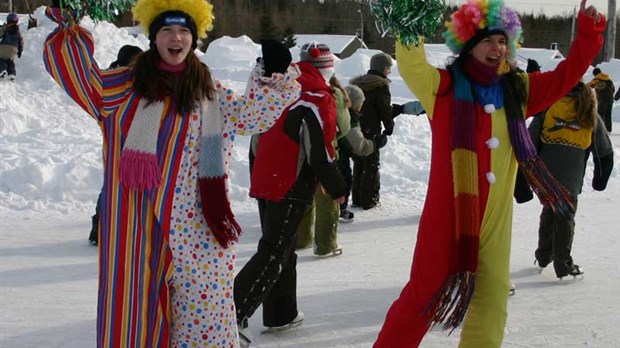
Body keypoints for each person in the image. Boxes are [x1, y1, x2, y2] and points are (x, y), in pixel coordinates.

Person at [43, 0, 301, 346]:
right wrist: (67, 25)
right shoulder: (122, 89)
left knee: (205, 325)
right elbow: (81, 78)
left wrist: (273, 74)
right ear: (154, 36)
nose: (176, 37)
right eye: (167, 29)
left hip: (199, 231)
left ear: (194, 38)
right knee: (135, 322)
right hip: (138, 228)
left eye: (183, 30)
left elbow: (252, 115)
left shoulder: (210, 92)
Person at [373, 0, 606, 347]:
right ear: (469, 44)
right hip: (448, 219)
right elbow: (413, 65)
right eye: (487, 41)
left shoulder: (518, 89)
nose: (497, 48)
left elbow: (565, 77)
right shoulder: (445, 88)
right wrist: (411, 26)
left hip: (495, 223)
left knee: (493, 302)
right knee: (424, 296)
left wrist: (587, 34)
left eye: (502, 42)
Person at [234, 41, 346, 345]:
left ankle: (281, 313)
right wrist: (336, 186)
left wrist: (258, 175)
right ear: (327, 69)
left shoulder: (280, 88)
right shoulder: (314, 99)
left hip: (266, 179)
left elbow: (256, 137)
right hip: (290, 183)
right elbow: (319, 150)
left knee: (283, 250)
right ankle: (229, 315)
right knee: (274, 252)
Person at [521, 81, 613, 279]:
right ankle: (563, 263)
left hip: (545, 173)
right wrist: (600, 179)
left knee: (551, 208)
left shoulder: (549, 108)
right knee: (565, 216)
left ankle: (544, 255)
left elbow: (529, 141)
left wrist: (527, 173)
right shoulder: (589, 113)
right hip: (570, 174)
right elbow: (604, 151)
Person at [89, 44, 143, 246]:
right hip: (119, 140)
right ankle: (99, 225)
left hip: (136, 138)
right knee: (112, 185)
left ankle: (125, 227)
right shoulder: (115, 81)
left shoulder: (134, 78)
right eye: (136, 61)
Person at [296, 73, 350, 255]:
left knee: (303, 193)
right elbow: (343, 126)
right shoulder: (332, 93)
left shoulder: (294, 86)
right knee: (327, 196)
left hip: (297, 149)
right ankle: (326, 245)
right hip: (325, 148)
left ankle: (301, 238)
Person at [349, 52, 399, 210]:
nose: (389, 71)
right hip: (372, 131)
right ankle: (369, 200)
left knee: (358, 163)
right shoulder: (381, 86)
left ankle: (357, 198)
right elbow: (384, 110)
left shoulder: (359, 84)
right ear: (383, 68)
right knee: (371, 166)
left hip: (356, 128)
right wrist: (389, 127)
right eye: (389, 68)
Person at [337, 84, 387, 219]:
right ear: (353, 103)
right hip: (337, 156)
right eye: (360, 103)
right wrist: (378, 143)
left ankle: (337, 208)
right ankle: (338, 210)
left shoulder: (342, 112)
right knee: (343, 180)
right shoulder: (349, 119)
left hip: (336, 153)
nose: (361, 106)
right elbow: (361, 147)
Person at [587, 67, 615, 132]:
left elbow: (588, 85)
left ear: (595, 74)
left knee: (600, 114)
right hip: (610, 99)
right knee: (608, 115)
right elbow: (613, 89)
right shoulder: (608, 79)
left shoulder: (597, 79)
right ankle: (608, 130)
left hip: (602, 99)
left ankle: (599, 130)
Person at [0, 13, 24, 81]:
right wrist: (20, 51)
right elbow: (21, 41)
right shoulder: (18, 31)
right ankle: (12, 74)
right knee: (10, 61)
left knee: (2, 59)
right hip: (14, 49)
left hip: (3, 47)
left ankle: (2, 70)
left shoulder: (6, 28)